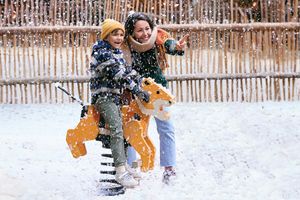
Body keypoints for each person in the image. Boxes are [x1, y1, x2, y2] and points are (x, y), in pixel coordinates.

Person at [123, 12, 189, 184]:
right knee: (132, 130)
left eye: (147, 28)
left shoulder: (157, 37)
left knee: (166, 128)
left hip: (157, 92)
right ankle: (131, 170)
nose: (145, 33)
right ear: (131, 32)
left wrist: (177, 46)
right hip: (135, 92)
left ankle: (169, 169)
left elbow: (170, 44)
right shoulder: (125, 45)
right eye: (139, 31)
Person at [90, 19, 149, 188]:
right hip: (103, 98)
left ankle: (123, 164)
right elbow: (118, 75)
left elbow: (127, 71)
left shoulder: (116, 52)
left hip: (114, 98)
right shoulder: (101, 52)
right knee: (116, 129)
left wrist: (140, 79)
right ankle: (120, 171)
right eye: (115, 34)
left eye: (121, 34)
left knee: (122, 129)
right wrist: (136, 89)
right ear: (106, 35)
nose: (119, 37)